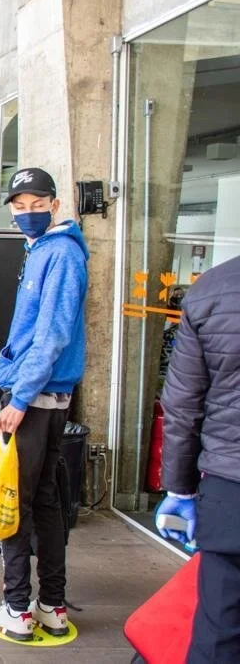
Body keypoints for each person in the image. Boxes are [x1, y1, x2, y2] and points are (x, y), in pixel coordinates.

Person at [0, 167, 88, 640]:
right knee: (43, 499)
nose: (27, 213)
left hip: (35, 395)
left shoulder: (60, 253)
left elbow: (52, 334)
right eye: (19, 206)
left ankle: (18, 608)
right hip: (44, 394)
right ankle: (52, 605)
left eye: (36, 204)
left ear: (55, 205)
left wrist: (20, 398)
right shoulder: (45, 250)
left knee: (15, 500)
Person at [156, 254, 240, 663]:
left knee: (219, 629)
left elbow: (184, 404)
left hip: (230, 492)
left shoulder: (212, 290)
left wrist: (180, 487)